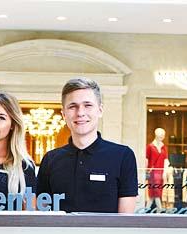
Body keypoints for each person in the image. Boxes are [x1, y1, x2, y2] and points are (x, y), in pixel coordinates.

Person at [36, 77, 138, 213]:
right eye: (73, 106)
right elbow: (41, 215)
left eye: (88, 105)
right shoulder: (50, 159)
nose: (80, 113)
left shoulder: (123, 156)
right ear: (64, 114)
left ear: (100, 110)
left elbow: (126, 219)